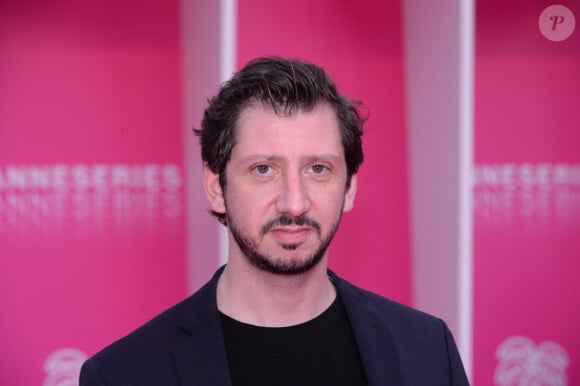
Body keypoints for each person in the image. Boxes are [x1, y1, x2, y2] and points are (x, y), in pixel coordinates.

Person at [80, 57, 469, 385]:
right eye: (264, 169)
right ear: (216, 185)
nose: (294, 203)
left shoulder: (428, 350)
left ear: (348, 187)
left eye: (318, 168)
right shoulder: (123, 374)